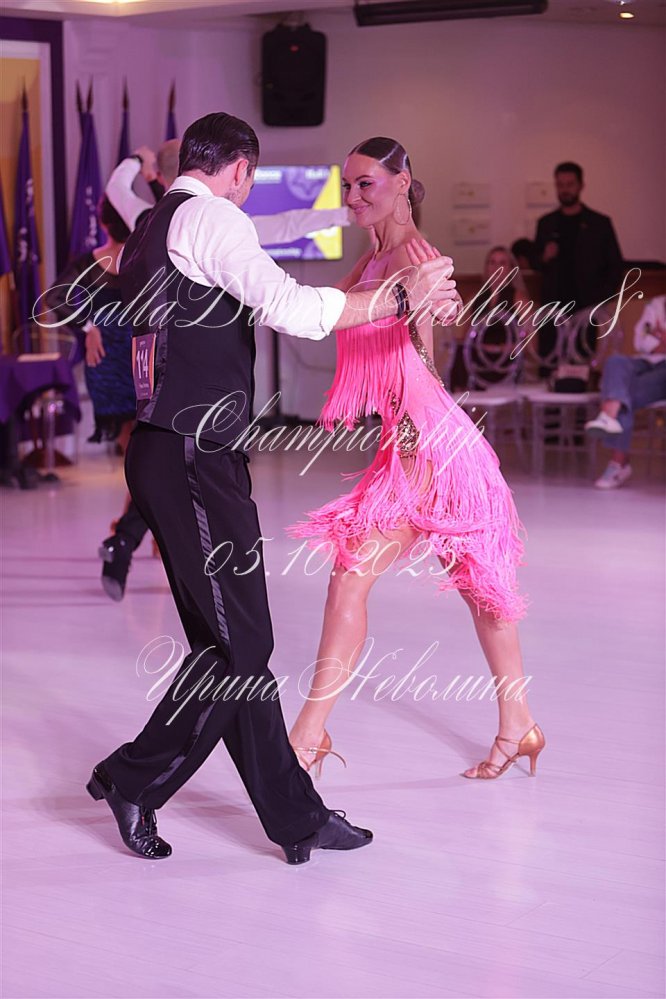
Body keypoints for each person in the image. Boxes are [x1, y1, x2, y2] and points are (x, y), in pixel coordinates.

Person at [84, 113, 459, 863]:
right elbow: (290, 310)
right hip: (192, 456)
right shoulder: (213, 217)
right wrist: (397, 298)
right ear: (239, 170)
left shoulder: (158, 222)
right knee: (240, 647)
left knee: (232, 647)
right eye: (250, 183)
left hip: (167, 451)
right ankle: (133, 779)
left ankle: (295, 816)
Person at [287, 137, 545, 783]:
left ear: (402, 183)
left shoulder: (415, 255)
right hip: (413, 443)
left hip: (426, 445)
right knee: (478, 587)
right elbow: (327, 315)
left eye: (366, 184)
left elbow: (436, 296)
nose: (353, 197)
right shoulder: (371, 256)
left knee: (354, 577)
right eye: (347, 185)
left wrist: (441, 300)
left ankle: (306, 737)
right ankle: (519, 724)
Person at [100, 140, 352, 600]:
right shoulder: (214, 221)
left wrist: (138, 159)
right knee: (182, 470)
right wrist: (348, 215)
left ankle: (128, 542)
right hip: (194, 387)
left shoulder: (148, 220)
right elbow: (289, 226)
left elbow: (117, 187)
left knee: (161, 461)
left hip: (152, 366)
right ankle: (146, 548)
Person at [46, 197, 135, 449]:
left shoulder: (87, 262)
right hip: (138, 352)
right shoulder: (141, 259)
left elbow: (53, 298)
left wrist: (88, 327)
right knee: (142, 437)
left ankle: (132, 476)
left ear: (103, 224)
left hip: (102, 353)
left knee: (126, 439)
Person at [534, 162, 624, 367]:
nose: (565, 190)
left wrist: (599, 301)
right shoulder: (546, 223)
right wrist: (544, 257)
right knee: (551, 365)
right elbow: (536, 264)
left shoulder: (599, 224)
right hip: (553, 308)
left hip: (585, 307)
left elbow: (615, 266)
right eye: (560, 185)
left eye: (570, 184)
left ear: (581, 186)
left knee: (582, 364)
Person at [585, 295, 666, 489]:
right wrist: (659, 341)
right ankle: (610, 415)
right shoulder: (657, 304)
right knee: (616, 362)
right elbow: (640, 341)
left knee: (622, 393)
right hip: (647, 361)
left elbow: (651, 338)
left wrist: (659, 338)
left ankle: (618, 462)